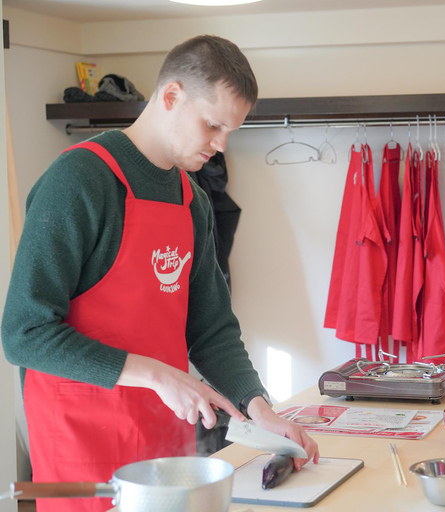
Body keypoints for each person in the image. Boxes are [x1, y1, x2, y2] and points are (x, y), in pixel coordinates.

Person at [2, 35, 318, 512]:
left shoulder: (193, 201)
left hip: (163, 448)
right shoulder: (78, 182)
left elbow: (212, 331)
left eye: (231, 130)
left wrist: (261, 410)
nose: (221, 145)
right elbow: (22, 333)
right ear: (171, 96)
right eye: (213, 125)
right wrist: (156, 374)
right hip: (78, 451)